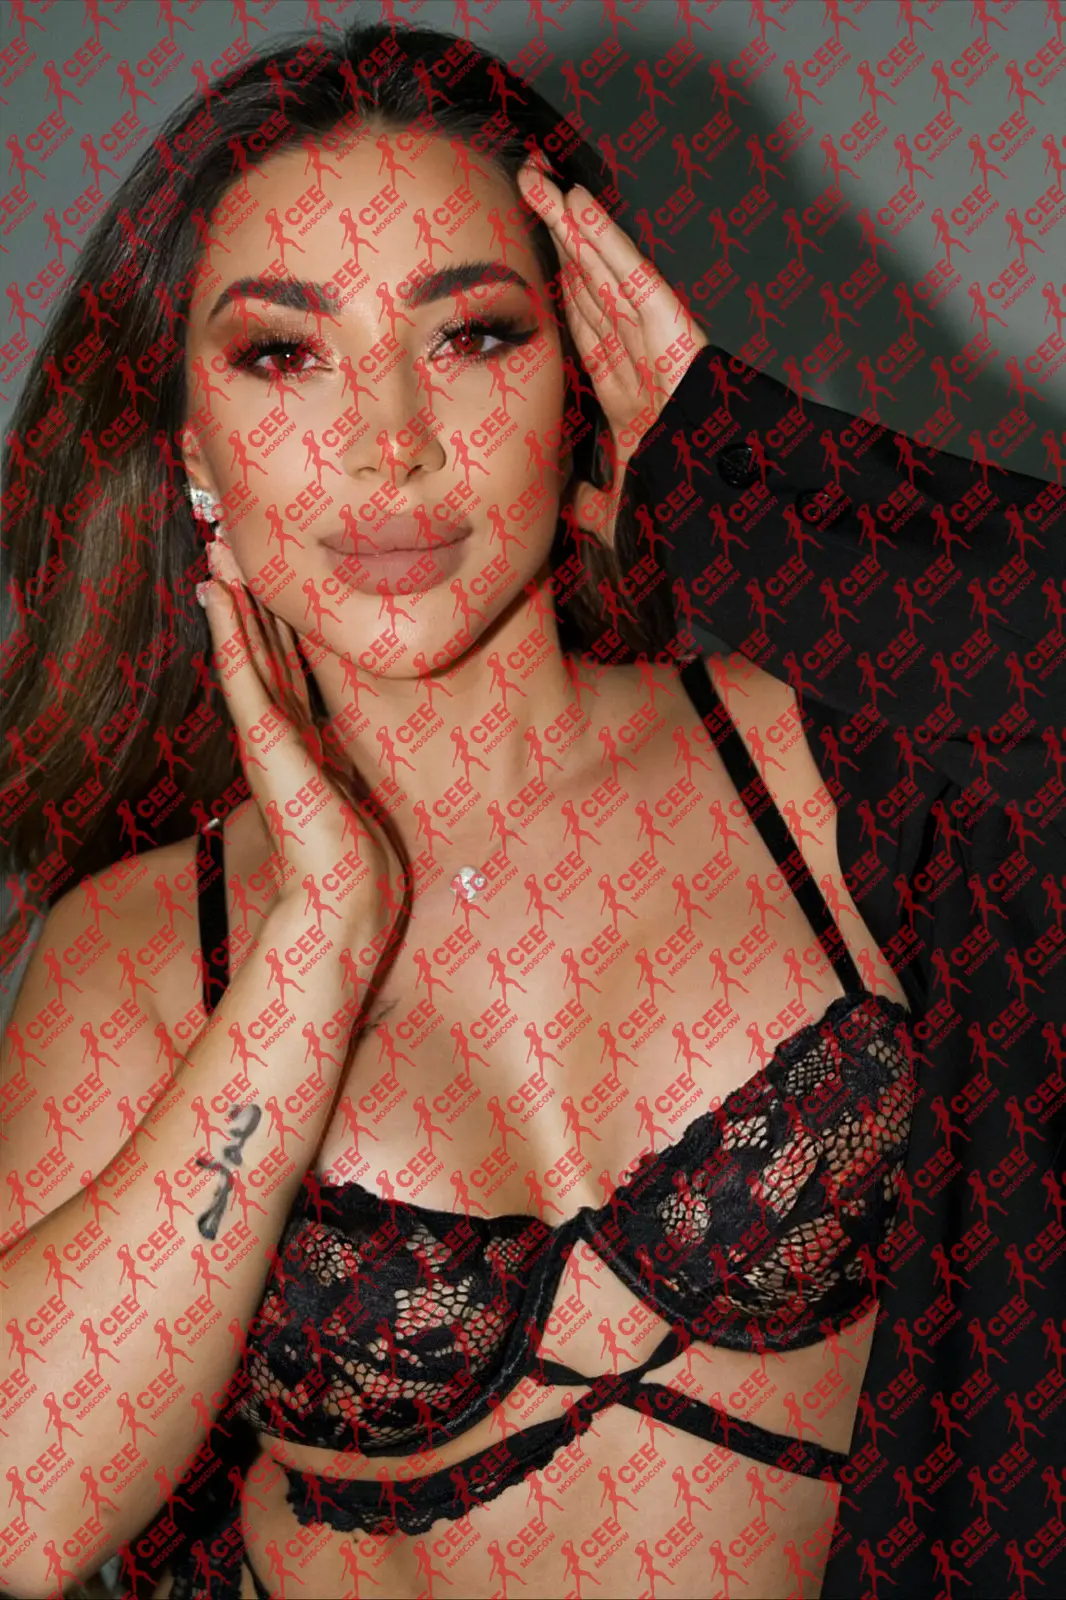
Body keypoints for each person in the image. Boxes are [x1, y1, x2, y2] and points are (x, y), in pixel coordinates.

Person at [0, 21, 1057, 1600]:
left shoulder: (816, 762)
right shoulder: (144, 952)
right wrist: (312, 948)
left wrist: (755, 483)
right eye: (283, 354)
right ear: (188, 443)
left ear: (579, 373)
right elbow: (20, 1513)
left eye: (472, 336)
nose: (392, 444)